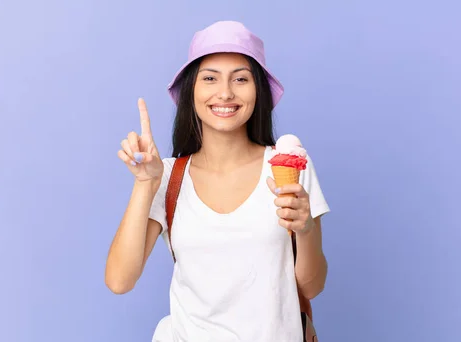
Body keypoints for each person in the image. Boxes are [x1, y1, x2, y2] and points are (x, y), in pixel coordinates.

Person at [105, 21, 331, 341]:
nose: (225, 92)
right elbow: (119, 281)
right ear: (191, 92)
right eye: (209, 78)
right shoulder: (167, 177)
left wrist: (305, 229)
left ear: (258, 92)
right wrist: (145, 183)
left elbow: (312, 285)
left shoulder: (289, 166)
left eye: (240, 79)